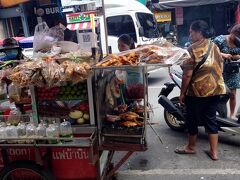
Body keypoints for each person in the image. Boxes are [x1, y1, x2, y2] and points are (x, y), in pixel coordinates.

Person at [175, 20, 226, 161]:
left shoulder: (192, 49)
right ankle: (214, 152)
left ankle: (191, 147)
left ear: (199, 32)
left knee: (192, 119)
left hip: (197, 92)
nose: (190, 34)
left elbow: (187, 75)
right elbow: (220, 66)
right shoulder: (214, 45)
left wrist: (182, 93)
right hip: (216, 89)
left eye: (191, 31)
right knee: (211, 119)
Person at [214, 24, 240, 120]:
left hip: (233, 70)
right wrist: (223, 54)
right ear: (232, 32)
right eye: (236, 36)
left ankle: (232, 115)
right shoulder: (220, 40)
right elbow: (211, 51)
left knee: (233, 94)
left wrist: (237, 57)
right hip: (220, 71)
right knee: (221, 95)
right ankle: (219, 115)